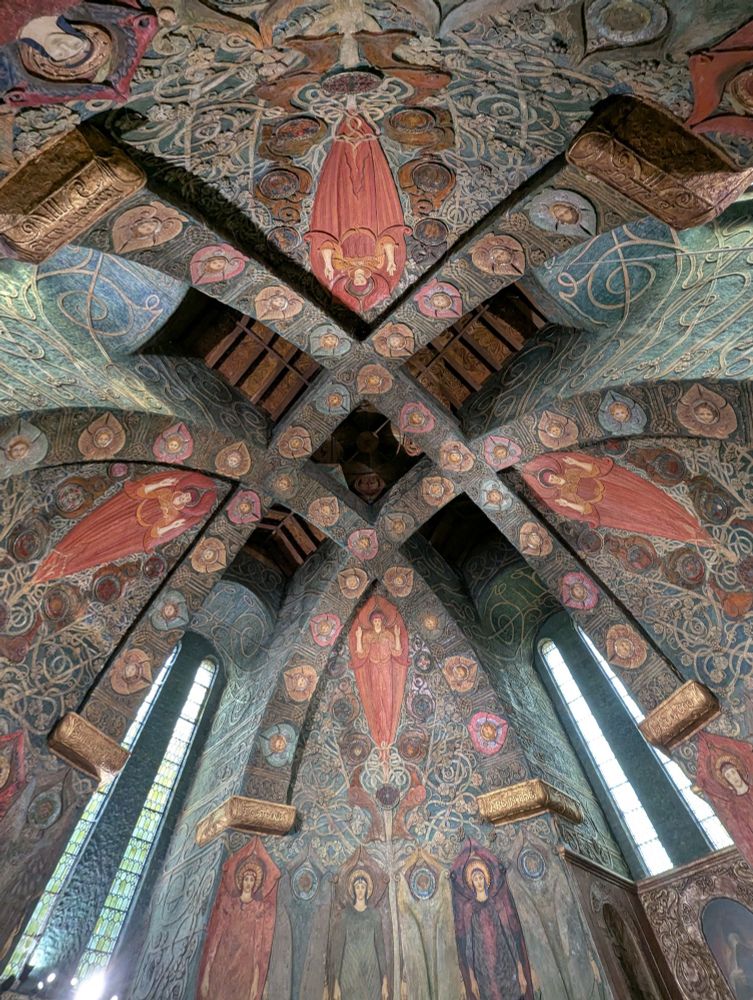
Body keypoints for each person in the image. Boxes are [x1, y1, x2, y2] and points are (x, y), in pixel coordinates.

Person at [33, 470, 217, 583]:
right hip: (122, 515)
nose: (182, 498)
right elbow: (140, 492)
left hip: (129, 533)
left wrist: (170, 528)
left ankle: (60, 568)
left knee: (96, 547)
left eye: (186, 500)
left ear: (188, 505)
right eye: (184, 495)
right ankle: (54, 558)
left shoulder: (174, 516)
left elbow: (153, 534)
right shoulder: (165, 493)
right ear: (182, 491)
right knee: (88, 534)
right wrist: (160, 483)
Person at [306, 111, 408, 314]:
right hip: (371, 212)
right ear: (370, 280)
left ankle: (345, 136)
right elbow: (388, 240)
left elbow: (326, 244)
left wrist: (327, 266)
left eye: (356, 283)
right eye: (364, 282)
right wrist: (390, 262)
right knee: (369, 181)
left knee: (342, 183)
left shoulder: (340, 264)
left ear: (350, 282)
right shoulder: (376, 262)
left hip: (342, 217)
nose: (360, 279)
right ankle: (363, 134)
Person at [522, 452, 713, 545]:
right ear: (551, 485)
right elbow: (587, 510)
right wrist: (567, 503)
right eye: (551, 481)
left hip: (615, 489)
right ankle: (685, 532)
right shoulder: (564, 496)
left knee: (651, 503)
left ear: (554, 472)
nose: (554, 479)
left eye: (552, 475)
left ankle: (688, 522)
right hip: (609, 505)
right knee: (644, 515)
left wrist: (576, 462)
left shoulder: (572, 471)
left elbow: (595, 470)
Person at [451, 844, 533, 1000]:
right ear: (471, 882)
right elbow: (468, 944)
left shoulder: (497, 903)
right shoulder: (469, 908)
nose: (479, 881)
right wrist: (472, 978)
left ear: (486, 878)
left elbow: (509, 935)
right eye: (475, 878)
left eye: (480, 877)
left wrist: (520, 968)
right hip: (484, 969)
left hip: (505, 962)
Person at [348, 597, 409, 754]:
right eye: (374, 621)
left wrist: (396, 636)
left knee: (388, 699)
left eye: (379, 620)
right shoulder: (368, 636)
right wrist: (360, 637)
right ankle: (380, 735)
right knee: (376, 700)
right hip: (374, 669)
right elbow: (360, 654)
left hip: (387, 669)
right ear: (372, 622)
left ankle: (388, 734)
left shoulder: (388, 634)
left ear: (382, 621)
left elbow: (397, 652)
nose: (376, 623)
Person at [329, 870, 389, 1000]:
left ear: (367, 889)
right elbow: (339, 949)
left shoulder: (374, 915)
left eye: (363, 887)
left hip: (371, 972)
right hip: (350, 971)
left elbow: (380, 948)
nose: (360, 890)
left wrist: (384, 981)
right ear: (353, 890)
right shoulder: (346, 915)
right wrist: (336, 983)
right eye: (357, 887)